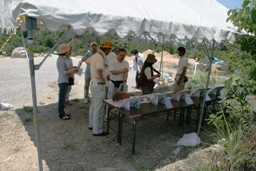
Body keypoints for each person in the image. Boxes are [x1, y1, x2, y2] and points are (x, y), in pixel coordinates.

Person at [85, 40, 113, 136]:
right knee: (99, 108)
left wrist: (93, 72)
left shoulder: (94, 55)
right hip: (99, 84)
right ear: (107, 49)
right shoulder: (100, 57)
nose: (109, 52)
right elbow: (99, 70)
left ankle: (91, 124)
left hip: (94, 83)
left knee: (93, 105)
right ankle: (97, 130)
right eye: (109, 50)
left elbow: (87, 62)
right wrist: (102, 79)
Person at [56, 44, 78, 120]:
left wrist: (72, 68)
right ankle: (61, 114)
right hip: (63, 81)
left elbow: (67, 67)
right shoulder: (61, 60)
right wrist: (72, 70)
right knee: (61, 99)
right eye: (69, 50)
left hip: (65, 80)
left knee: (63, 98)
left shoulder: (63, 59)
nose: (70, 51)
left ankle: (63, 112)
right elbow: (63, 72)